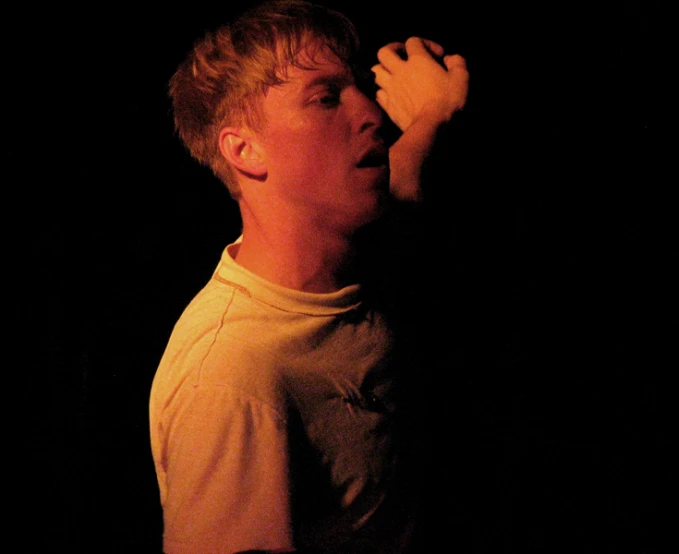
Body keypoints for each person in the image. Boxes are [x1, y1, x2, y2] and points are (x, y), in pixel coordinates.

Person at [148, 1, 468, 552]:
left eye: (356, 89)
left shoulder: (356, 245)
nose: (369, 113)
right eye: (325, 99)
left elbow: (403, 180)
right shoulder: (231, 378)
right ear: (245, 150)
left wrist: (431, 117)